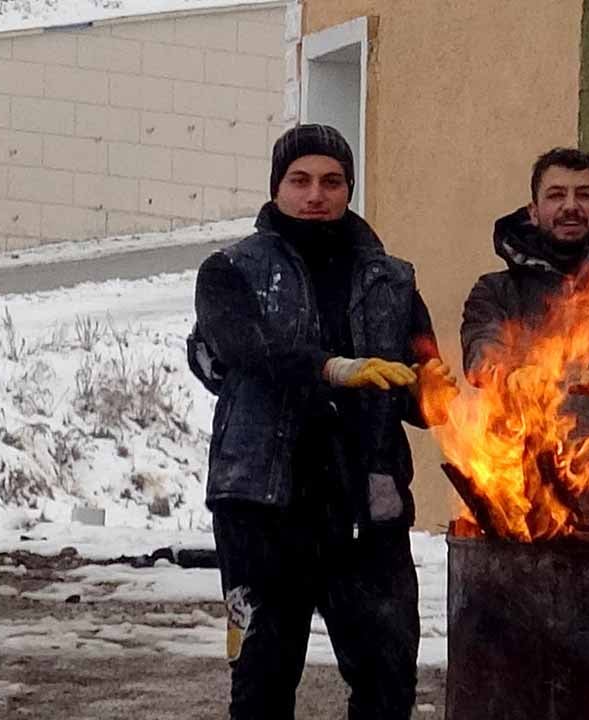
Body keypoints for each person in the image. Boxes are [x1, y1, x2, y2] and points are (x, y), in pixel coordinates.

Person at [187, 123, 456, 720]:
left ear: (349, 189)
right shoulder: (229, 270)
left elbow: (418, 388)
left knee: (388, 681)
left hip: (365, 507)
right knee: (262, 681)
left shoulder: (391, 279)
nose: (316, 194)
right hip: (261, 505)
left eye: (332, 181)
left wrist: (432, 392)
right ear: (276, 187)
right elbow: (245, 349)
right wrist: (333, 368)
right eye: (300, 180)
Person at [460, 147, 589, 530]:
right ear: (533, 209)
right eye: (556, 195)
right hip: (520, 513)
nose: (570, 206)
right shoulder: (495, 292)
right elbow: (481, 346)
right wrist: (507, 373)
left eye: (584, 195)